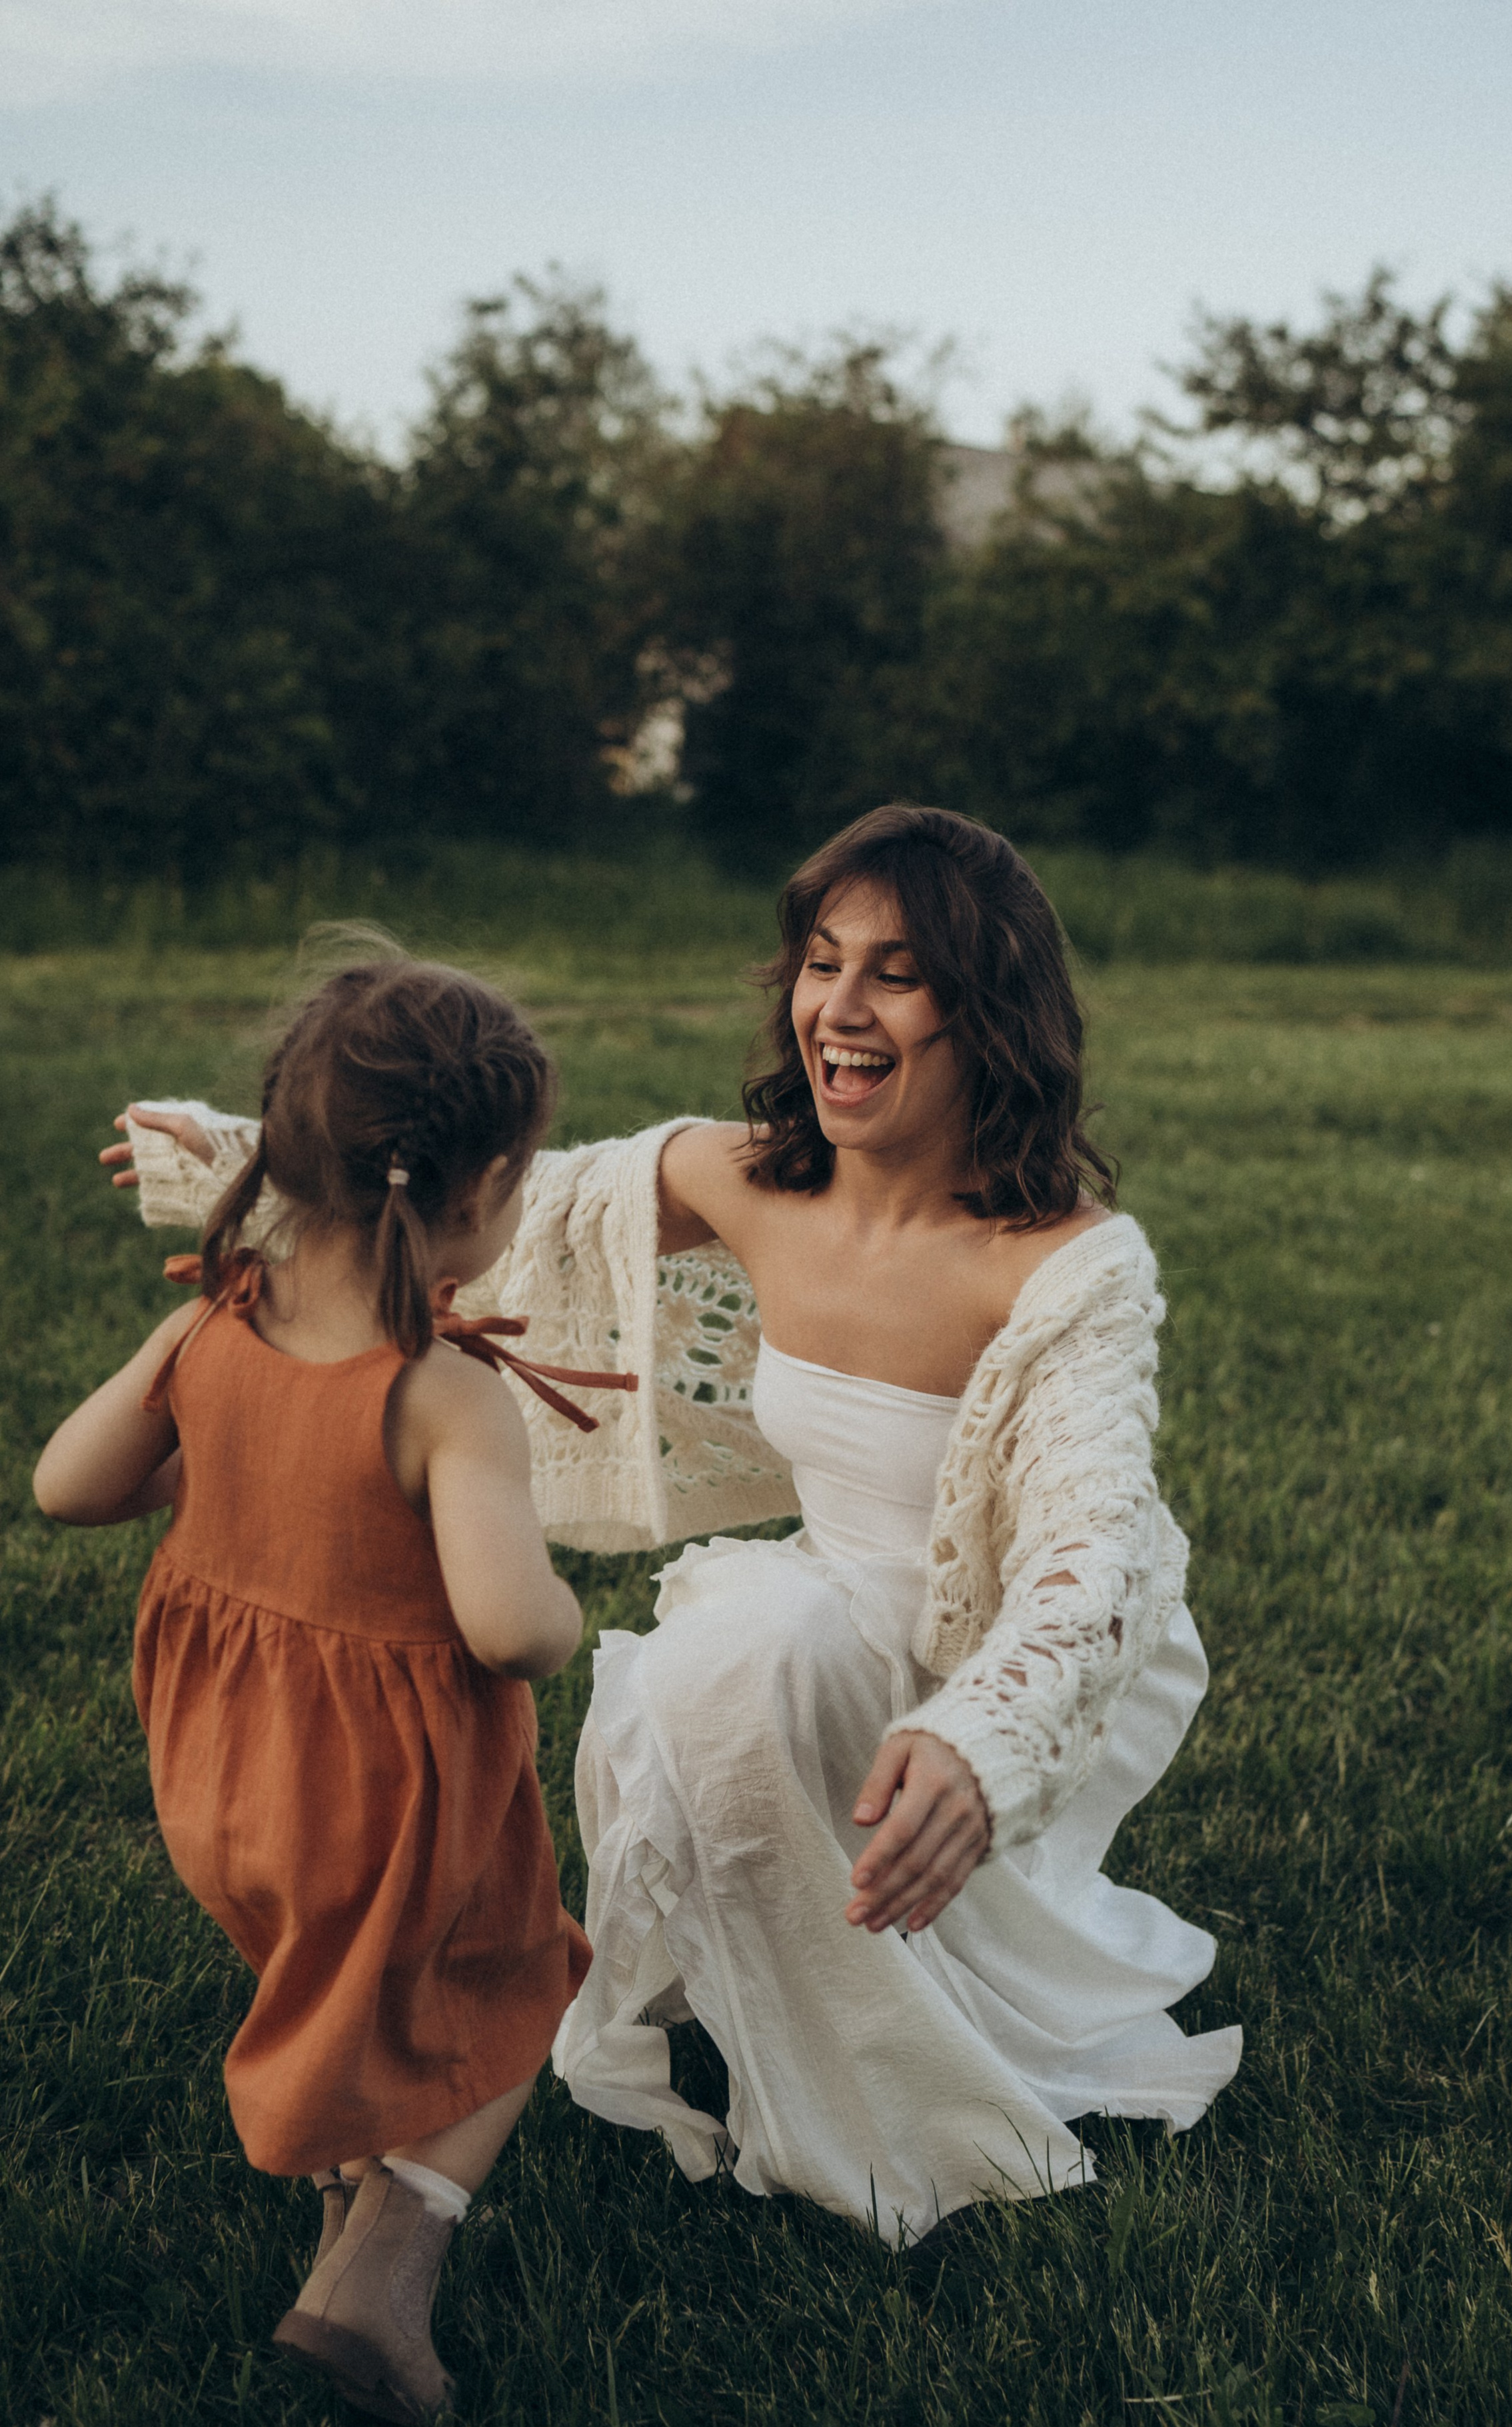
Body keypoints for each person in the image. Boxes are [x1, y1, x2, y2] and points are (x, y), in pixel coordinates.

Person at [107, 807, 1241, 2250]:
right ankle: (794, 1964)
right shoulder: (744, 1179)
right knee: (742, 1652)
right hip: (828, 1615)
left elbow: (1092, 1544)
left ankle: (905, 2049)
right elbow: (490, 1200)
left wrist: (986, 1735)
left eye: (894, 973)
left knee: (750, 1653)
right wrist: (243, 1170)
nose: (837, 1006)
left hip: (1004, 1651)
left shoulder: (1070, 1264)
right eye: (820, 961)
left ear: (987, 1009)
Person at [45, 953, 600, 2424]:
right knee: (520, 1976)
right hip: (389, 1800)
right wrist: (561, 1617)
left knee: (356, 1983)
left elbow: (64, 1485)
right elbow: (500, 1626)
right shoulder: (440, 1393)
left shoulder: (214, 1323)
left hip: (224, 1784)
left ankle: (352, 2184)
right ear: (479, 1190)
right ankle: (388, 2265)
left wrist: (203, 1441)